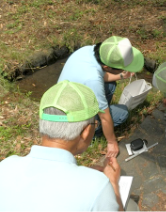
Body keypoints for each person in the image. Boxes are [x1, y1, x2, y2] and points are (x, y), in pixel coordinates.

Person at [0, 80, 139, 212]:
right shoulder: (98, 186)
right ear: (85, 131)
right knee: (131, 207)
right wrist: (113, 184)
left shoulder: (6, 166)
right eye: (94, 125)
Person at [58, 36, 144, 158]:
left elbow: (100, 76)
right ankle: (89, 136)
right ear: (107, 67)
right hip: (70, 120)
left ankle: (93, 118)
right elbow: (105, 117)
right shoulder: (92, 80)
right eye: (123, 68)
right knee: (123, 112)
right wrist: (112, 142)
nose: (125, 70)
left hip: (63, 101)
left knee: (110, 86)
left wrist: (121, 76)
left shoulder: (88, 51)